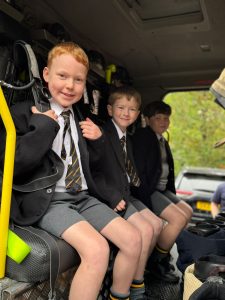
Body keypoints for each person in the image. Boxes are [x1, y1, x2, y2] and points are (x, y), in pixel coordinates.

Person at [0, 42, 144, 300]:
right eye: (62, 76)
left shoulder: (81, 118)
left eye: (78, 80)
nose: (69, 86)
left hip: (83, 197)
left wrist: (99, 141)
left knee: (133, 239)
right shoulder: (24, 113)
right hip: (50, 200)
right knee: (97, 249)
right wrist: (42, 127)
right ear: (46, 75)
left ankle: (120, 296)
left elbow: (100, 169)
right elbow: (15, 165)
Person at [89, 86, 163, 299]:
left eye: (132, 109)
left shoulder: (126, 138)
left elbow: (128, 172)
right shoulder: (103, 132)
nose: (126, 113)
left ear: (138, 115)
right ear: (110, 110)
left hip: (125, 194)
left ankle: (137, 279)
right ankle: (133, 289)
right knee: (145, 231)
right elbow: (93, 172)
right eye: (121, 107)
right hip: (109, 196)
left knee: (156, 224)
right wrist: (112, 197)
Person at [131, 101, 193, 282]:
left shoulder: (162, 139)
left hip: (162, 189)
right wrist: (147, 203)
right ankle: (155, 262)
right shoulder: (144, 137)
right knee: (178, 219)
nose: (163, 122)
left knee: (188, 212)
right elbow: (140, 173)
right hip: (148, 190)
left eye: (166, 118)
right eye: (158, 118)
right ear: (148, 119)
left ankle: (163, 254)